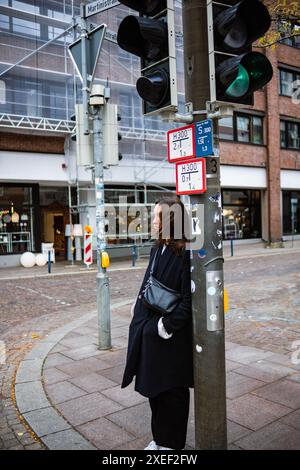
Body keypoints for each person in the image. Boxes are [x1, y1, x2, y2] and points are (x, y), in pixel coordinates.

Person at [121, 196, 194, 451]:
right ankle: (160, 439)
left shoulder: (187, 252)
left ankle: (172, 445)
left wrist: (166, 327)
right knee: (155, 388)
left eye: (157, 216)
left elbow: (189, 301)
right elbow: (148, 281)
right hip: (150, 326)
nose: (153, 221)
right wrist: (137, 304)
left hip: (170, 335)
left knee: (172, 391)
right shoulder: (157, 247)